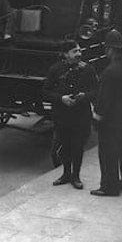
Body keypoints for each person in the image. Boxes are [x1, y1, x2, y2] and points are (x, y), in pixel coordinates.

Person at [44, 42, 98, 190]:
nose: (79, 53)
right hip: (62, 114)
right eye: (75, 51)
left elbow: (96, 91)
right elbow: (46, 91)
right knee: (65, 144)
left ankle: (76, 176)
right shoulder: (55, 69)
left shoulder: (88, 69)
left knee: (78, 146)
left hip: (81, 115)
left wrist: (84, 96)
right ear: (66, 54)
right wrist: (61, 98)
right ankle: (66, 174)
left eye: (79, 50)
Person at [91, 30, 122, 196]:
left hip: (110, 121)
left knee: (109, 154)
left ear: (110, 49)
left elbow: (104, 100)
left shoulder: (109, 72)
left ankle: (110, 186)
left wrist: (97, 117)